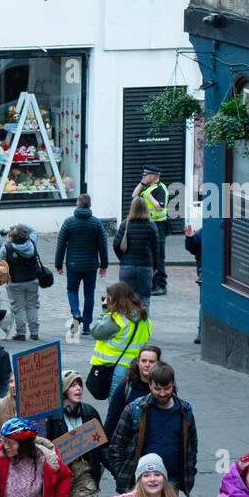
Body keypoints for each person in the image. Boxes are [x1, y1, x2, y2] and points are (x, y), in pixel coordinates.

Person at [107, 362, 198, 496]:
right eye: (157, 388)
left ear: (173, 384)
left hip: (171, 482)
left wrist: (188, 471)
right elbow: (116, 445)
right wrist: (121, 474)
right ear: (149, 385)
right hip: (138, 483)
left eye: (167, 388)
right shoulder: (134, 409)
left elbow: (192, 446)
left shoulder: (184, 411)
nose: (162, 393)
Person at [44, 370, 106, 497]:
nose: (78, 388)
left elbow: (103, 446)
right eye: (73, 385)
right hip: (62, 475)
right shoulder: (52, 417)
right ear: (64, 389)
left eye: (80, 385)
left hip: (85, 474)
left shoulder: (90, 412)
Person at [54, 193, 109, 337]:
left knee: (72, 290)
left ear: (77, 204)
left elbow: (61, 245)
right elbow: (103, 245)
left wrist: (58, 264)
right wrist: (104, 265)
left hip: (73, 264)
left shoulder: (69, 222)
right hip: (91, 264)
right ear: (90, 205)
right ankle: (86, 326)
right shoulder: (96, 223)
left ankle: (76, 313)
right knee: (89, 293)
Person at [88, 281, 152, 397]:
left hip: (117, 369)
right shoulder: (145, 319)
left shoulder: (117, 320)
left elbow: (95, 331)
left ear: (115, 300)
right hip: (137, 367)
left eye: (109, 298)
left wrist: (105, 311)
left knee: (116, 405)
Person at [105, 344, 161, 439]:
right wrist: (105, 446)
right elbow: (112, 418)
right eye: (143, 361)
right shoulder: (126, 386)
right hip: (130, 443)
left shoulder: (164, 386)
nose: (147, 365)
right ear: (138, 362)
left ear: (158, 363)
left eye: (151, 361)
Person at [112, 197, 159, 307]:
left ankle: (131, 323)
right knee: (144, 298)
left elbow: (116, 244)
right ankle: (142, 323)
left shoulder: (125, 224)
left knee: (127, 299)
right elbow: (156, 250)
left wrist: (123, 259)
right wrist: (155, 267)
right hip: (145, 266)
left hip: (127, 266)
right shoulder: (152, 226)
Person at [130, 166, 169, 295]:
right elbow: (134, 195)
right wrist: (142, 184)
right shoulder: (147, 187)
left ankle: (161, 285)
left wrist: (149, 196)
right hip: (148, 225)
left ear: (153, 176)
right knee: (149, 255)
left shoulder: (160, 189)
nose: (143, 176)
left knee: (159, 256)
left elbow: (159, 207)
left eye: (146, 175)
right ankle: (152, 284)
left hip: (159, 226)